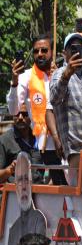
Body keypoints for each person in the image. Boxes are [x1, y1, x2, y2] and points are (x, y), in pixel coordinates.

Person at [7, 34, 67, 185]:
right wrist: (14, 83)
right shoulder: (26, 77)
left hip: (65, 142)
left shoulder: (62, 74)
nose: (39, 54)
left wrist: (58, 76)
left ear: (52, 52)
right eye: (36, 51)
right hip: (41, 146)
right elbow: (13, 109)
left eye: (44, 50)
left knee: (66, 187)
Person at [49, 33, 82, 186]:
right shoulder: (59, 73)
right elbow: (54, 99)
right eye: (72, 48)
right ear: (65, 53)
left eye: (80, 48)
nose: (76, 51)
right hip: (77, 152)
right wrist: (66, 74)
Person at [8, 152, 47, 245]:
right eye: (20, 180)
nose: (24, 187)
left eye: (26, 179)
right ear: (16, 186)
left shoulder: (38, 220)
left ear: (31, 183)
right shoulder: (14, 228)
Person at [0, 104, 41, 183]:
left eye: (25, 114)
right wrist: (9, 170)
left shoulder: (40, 138)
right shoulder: (3, 140)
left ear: (31, 115)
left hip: (41, 192)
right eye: (16, 114)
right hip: (15, 193)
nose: (20, 117)